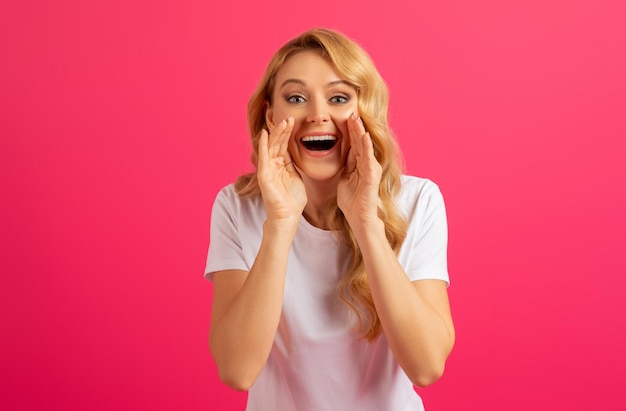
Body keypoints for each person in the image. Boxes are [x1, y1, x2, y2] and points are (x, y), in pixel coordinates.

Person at [205, 28, 455, 411]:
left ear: (364, 111)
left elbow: (426, 365)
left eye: (339, 98)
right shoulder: (237, 207)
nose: (318, 115)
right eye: (296, 98)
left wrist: (366, 222)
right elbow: (237, 370)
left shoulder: (418, 200)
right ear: (271, 116)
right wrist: (281, 223)